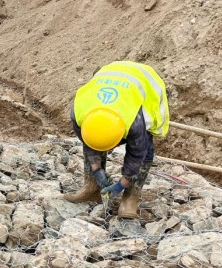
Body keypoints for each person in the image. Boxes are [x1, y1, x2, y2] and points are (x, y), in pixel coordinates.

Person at [64, 61, 169, 218]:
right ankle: (92, 188)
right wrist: (96, 169)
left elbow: (136, 157)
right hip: (112, 79)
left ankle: (130, 197)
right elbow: (89, 142)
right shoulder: (79, 113)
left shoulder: (134, 122)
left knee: (145, 149)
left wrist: (121, 184)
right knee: (96, 140)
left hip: (147, 85)